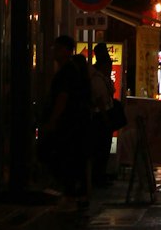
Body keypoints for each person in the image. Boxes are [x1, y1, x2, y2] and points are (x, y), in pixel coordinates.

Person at [40, 34, 91, 211]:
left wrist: (52, 120)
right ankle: (78, 195)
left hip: (68, 124)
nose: (54, 51)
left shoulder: (66, 72)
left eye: (58, 48)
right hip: (74, 123)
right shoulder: (71, 70)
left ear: (67, 51)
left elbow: (63, 97)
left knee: (65, 158)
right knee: (74, 159)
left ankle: (71, 195)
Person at [88, 43, 115, 188]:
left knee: (103, 148)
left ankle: (100, 176)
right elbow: (99, 100)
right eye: (108, 65)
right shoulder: (97, 78)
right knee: (101, 148)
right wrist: (106, 118)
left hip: (102, 116)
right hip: (100, 117)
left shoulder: (101, 77)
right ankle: (98, 177)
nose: (110, 68)